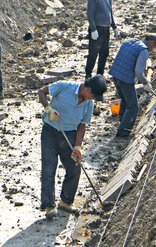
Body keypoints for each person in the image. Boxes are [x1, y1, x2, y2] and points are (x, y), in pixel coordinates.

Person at [37, 75, 107, 219]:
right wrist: (48, 109)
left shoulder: (89, 104)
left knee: (74, 168)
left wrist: (78, 147)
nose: (93, 99)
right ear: (87, 89)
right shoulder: (64, 87)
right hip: (50, 132)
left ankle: (66, 201)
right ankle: (49, 205)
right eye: (93, 95)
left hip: (69, 135)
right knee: (49, 168)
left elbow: (82, 125)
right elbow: (42, 92)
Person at [109, 34, 156, 138]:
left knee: (124, 99)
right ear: (150, 42)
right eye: (153, 47)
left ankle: (122, 121)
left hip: (115, 74)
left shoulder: (130, 41)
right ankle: (123, 132)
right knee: (133, 107)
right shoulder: (143, 50)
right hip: (125, 79)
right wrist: (145, 82)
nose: (152, 50)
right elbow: (138, 72)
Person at [85, 0, 119, 80]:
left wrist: (114, 26)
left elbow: (110, 12)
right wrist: (93, 29)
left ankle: (100, 75)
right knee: (93, 53)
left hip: (106, 29)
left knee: (104, 53)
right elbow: (90, 14)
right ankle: (88, 75)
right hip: (97, 29)